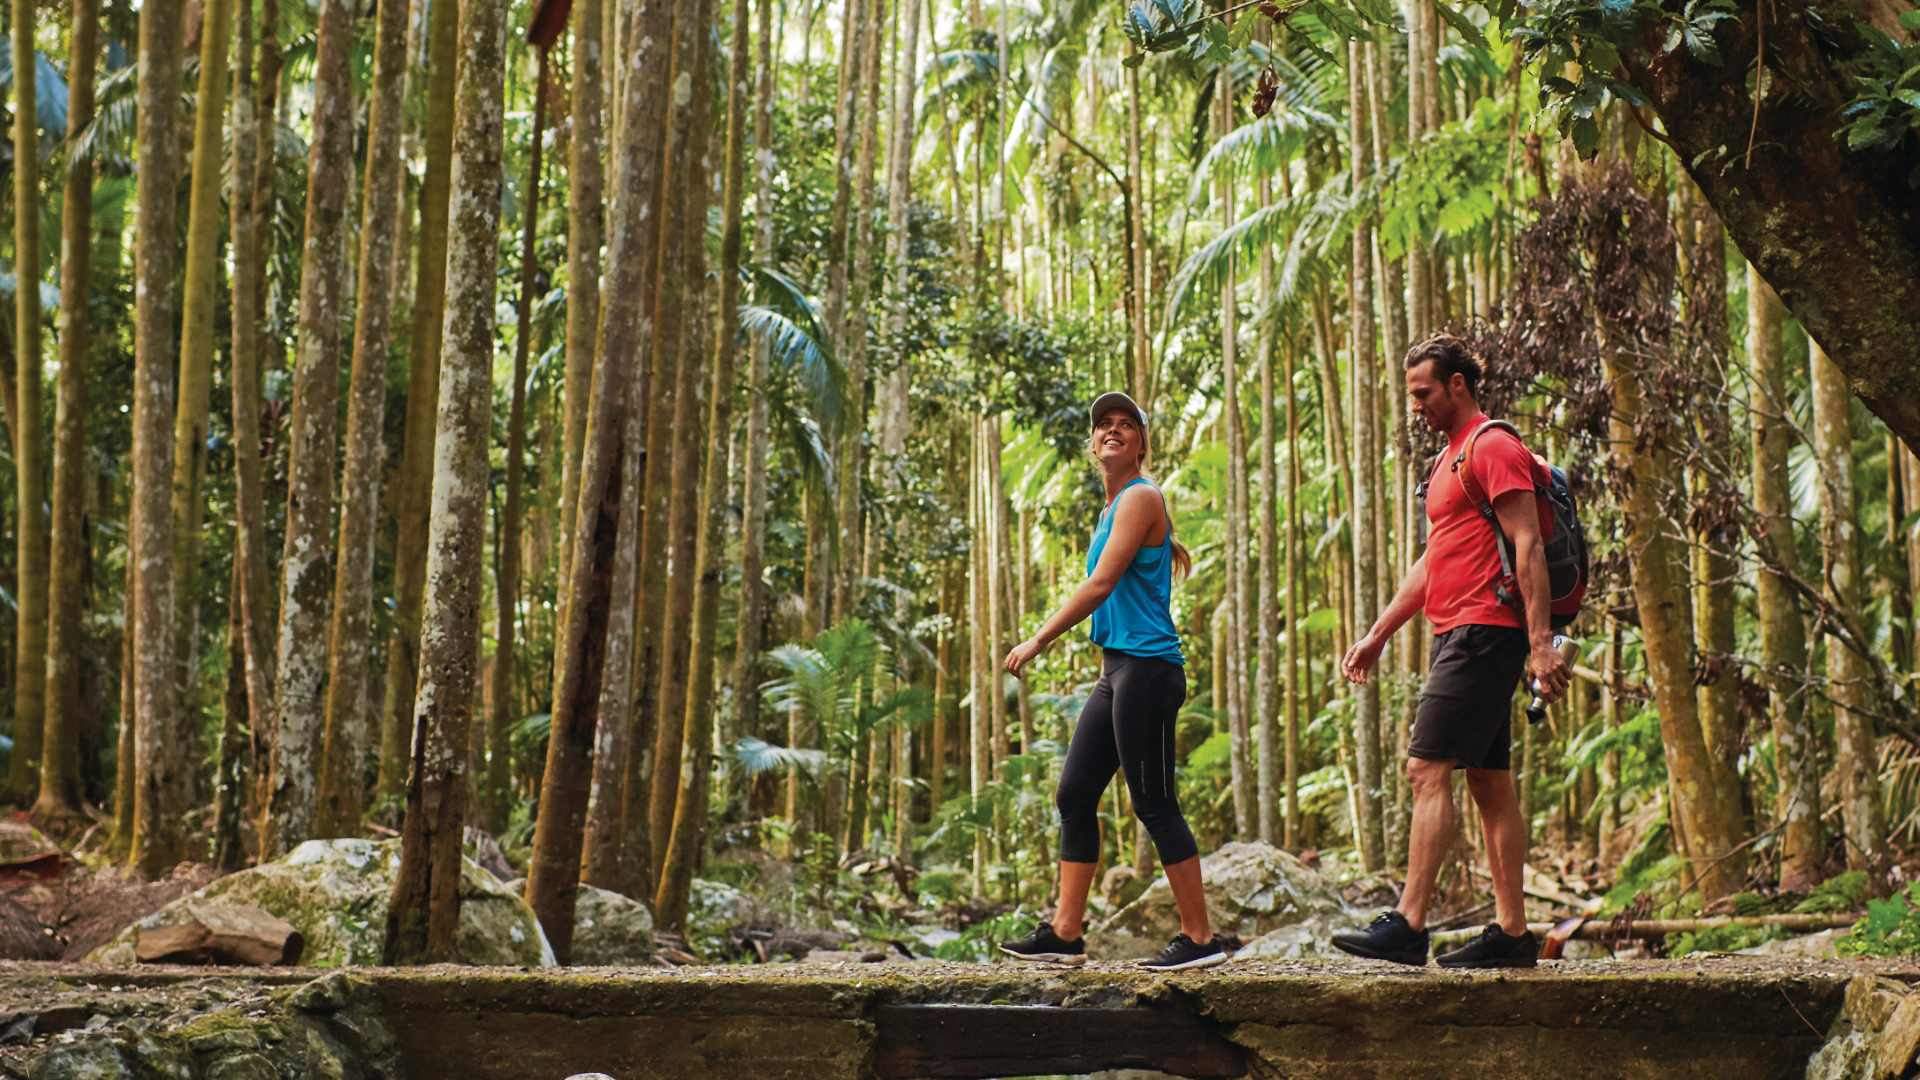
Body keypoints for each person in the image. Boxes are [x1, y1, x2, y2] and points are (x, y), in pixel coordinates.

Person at [1330, 334, 1571, 969]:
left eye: (1424, 393)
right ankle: (1513, 934)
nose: (1416, 406)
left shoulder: (1493, 446)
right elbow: (1434, 561)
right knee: (1489, 781)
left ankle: (1409, 924)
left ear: (1457, 385)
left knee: (1426, 768)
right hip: (1457, 630)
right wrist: (1379, 633)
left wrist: (1540, 645)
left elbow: (1528, 543)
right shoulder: (1447, 462)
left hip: (1485, 629)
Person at [996, 391, 1228, 972]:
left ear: (1141, 444)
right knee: (1075, 794)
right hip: (1117, 671)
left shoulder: (1142, 497)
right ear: (1093, 441)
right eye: (1104, 424)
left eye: (1127, 424)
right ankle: (1065, 933)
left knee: (1154, 802)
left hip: (1148, 668)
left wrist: (1038, 639)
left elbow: (1100, 585)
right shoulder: (1111, 509)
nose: (1113, 430)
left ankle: (1200, 939)